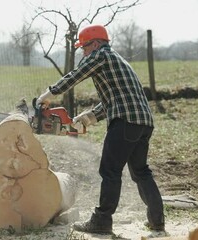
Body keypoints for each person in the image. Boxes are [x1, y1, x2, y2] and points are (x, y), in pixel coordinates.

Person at [36, 24, 166, 237]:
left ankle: (102, 221)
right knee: (141, 172)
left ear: (95, 43)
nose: (83, 52)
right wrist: (88, 117)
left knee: (110, 171)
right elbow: (117, 99)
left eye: (84, 48)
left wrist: (49, 95)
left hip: (124, 121)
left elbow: (76, 75)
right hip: (143, 122)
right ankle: (157, 221)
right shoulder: (116, 59)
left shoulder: (101, 55)